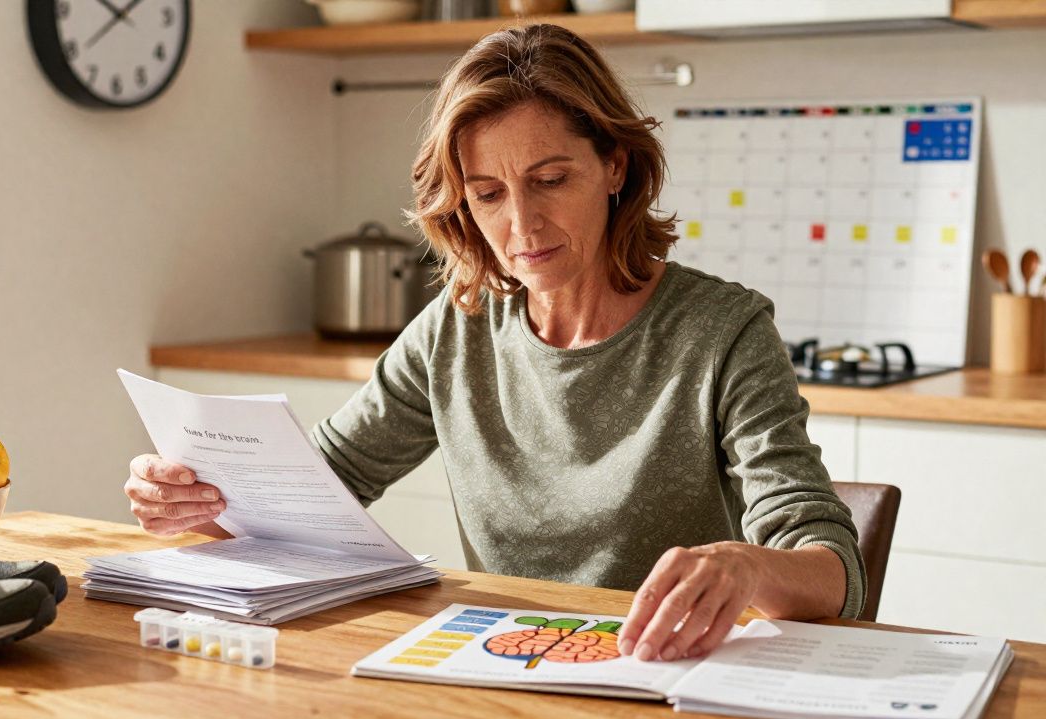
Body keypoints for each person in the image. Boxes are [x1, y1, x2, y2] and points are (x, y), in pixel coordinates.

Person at [125, 24, 865, 664]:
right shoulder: (459, 327)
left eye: (550, 179)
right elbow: (314, 496)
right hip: (507, 669)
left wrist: (744, 565)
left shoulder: (723, 332)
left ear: (615, 165)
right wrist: (196, 500)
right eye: (488, 194)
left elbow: (834, 575)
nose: (522, 226)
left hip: (665, 682)